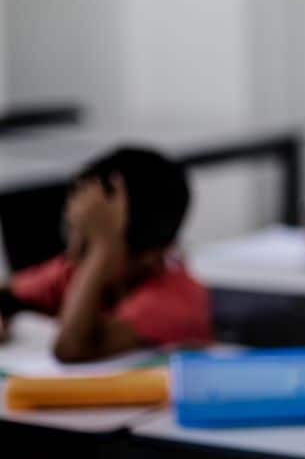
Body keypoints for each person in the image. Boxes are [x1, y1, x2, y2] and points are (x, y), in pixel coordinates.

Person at [0, 147, 212, 362]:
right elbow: (9, 293)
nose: (72, 254)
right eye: (73, 231)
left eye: (92, 241)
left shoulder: (176, 299)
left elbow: (71, 349)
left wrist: (102, 247)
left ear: (150, 256)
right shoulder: (74, 266)